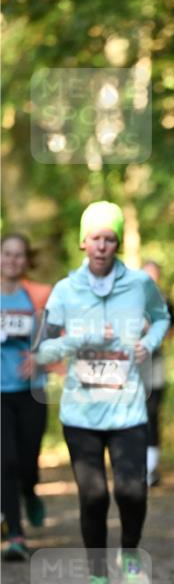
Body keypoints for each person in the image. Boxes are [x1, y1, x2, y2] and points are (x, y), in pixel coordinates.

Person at [35, 202, 170, 584]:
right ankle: (97, 581)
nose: (102, 246)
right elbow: (43, 350)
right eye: (95, 238)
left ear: (117, 243)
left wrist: (148, 343)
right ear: (83, 242)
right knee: (93, 498)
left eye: (110, 239)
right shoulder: (65, 290)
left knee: (132, 492)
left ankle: (130, 556)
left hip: (128, 409)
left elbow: (161, 317)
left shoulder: (139, 284)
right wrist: (81, 339)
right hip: (81, 412)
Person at [1, 234, 51, 560]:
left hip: (32, 391)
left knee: (28, 463)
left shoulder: (38, 295)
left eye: (19, 255)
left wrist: (39, 356)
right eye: (7, 254)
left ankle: (30, 491)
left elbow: (56, 336)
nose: (12, 260)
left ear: (27, 260)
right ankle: (15, 535)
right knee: (5, 461)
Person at [141, 261, 174, 487]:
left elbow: (171, 331)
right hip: (131, 368)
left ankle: (150, 468)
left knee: (152, 414)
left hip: (155, 366)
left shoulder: (165, 301)